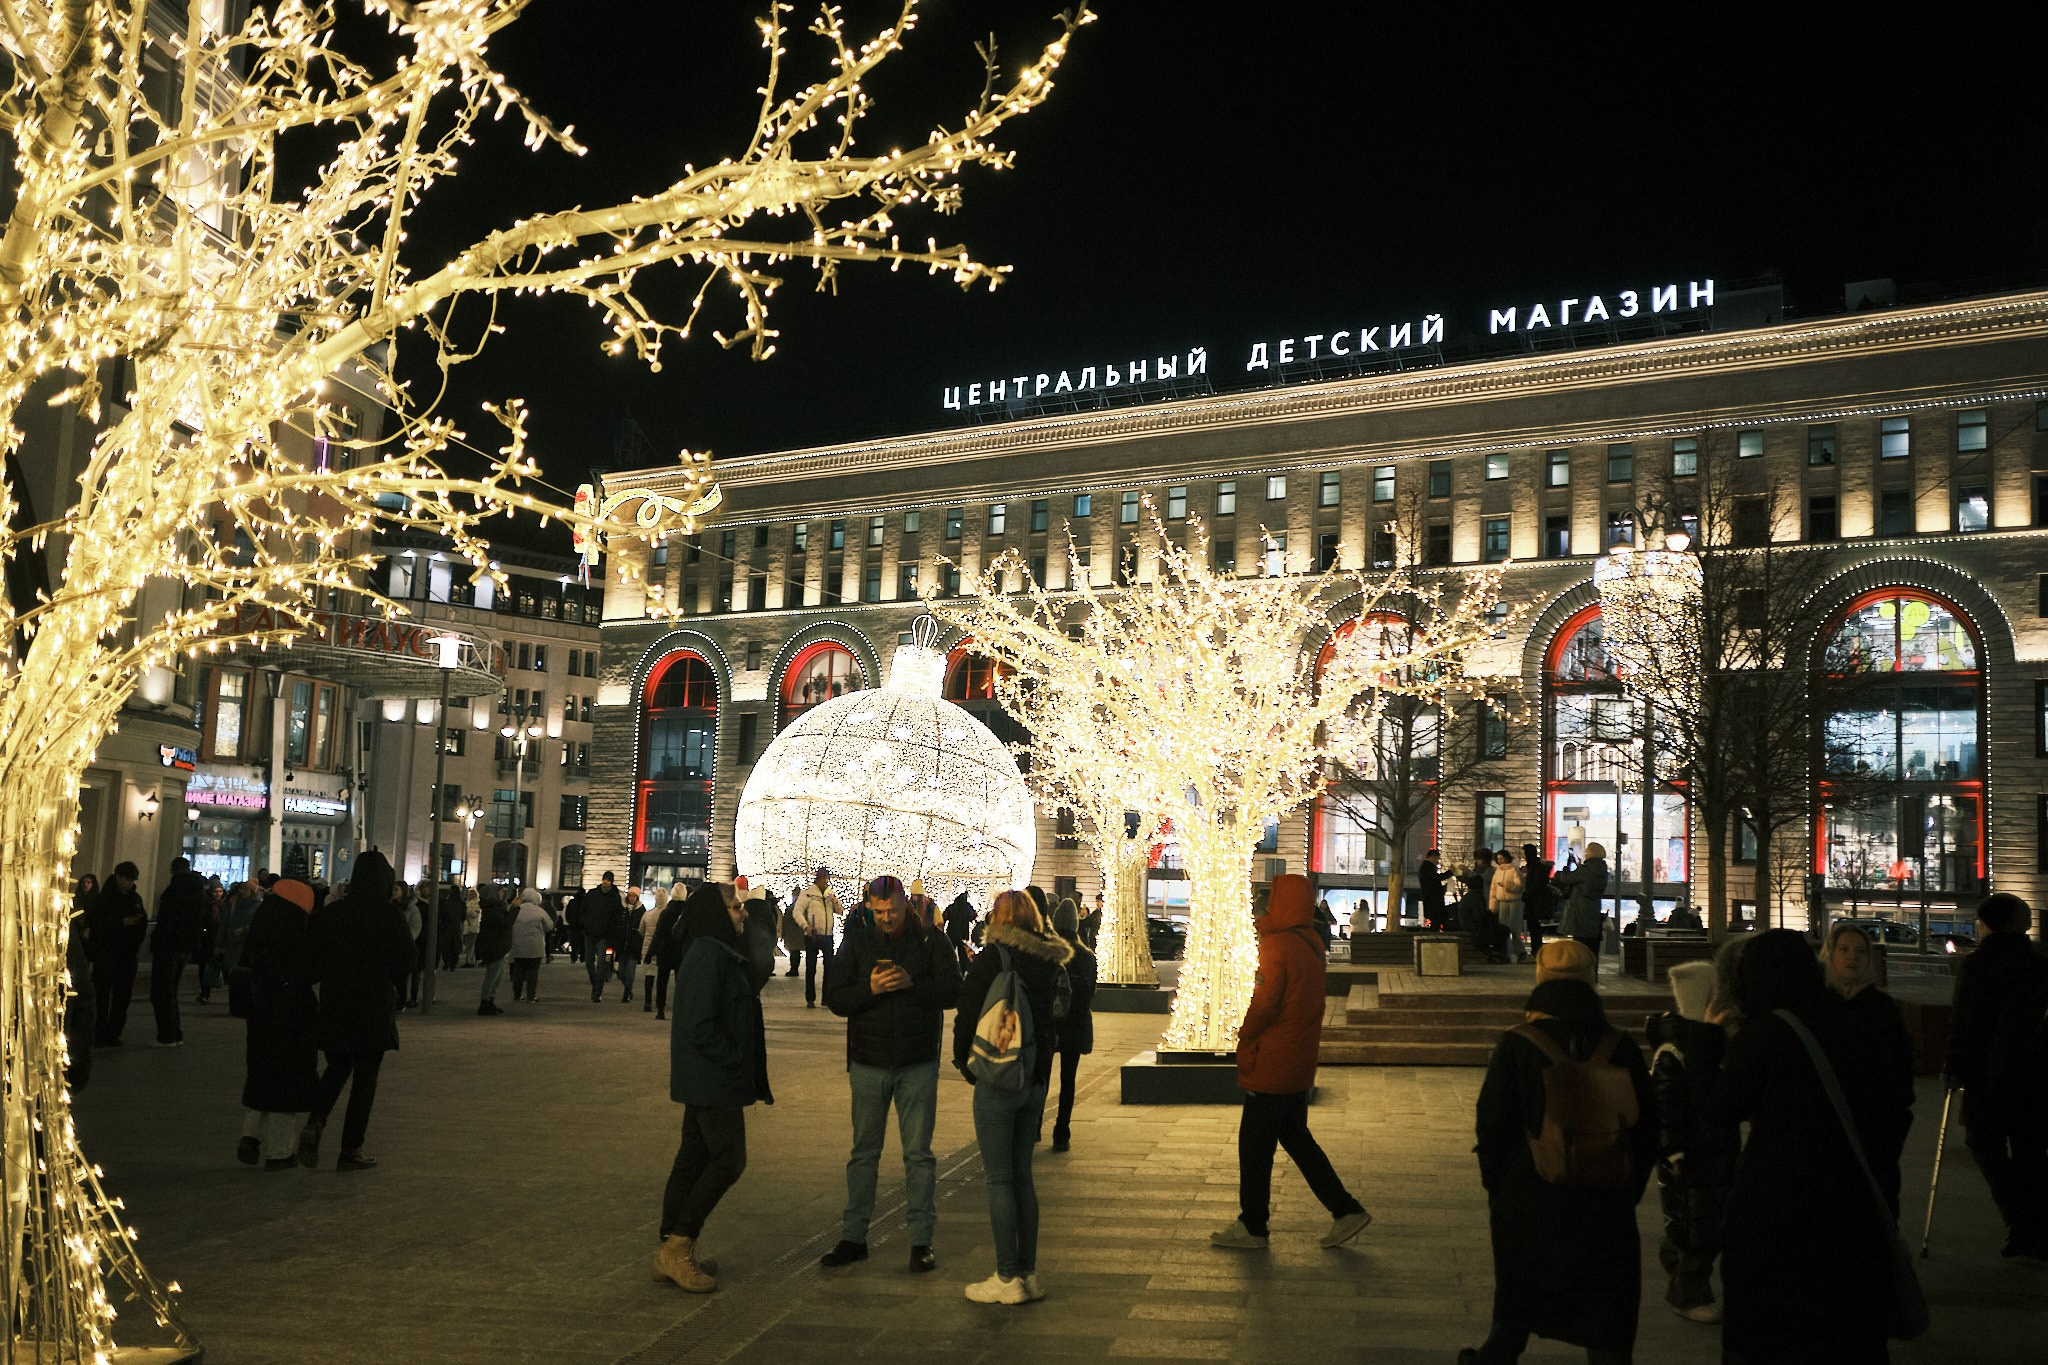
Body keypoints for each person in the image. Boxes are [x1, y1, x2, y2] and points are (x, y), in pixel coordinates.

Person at [1709, 929, 1911, 1364]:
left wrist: (1706, 1042)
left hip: (1778, 1207)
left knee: (1771, 1326)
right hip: (1850, 1203)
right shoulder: (1851, 1023)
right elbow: (1895, 1104)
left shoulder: (1764, 1034)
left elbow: (1719, 1107)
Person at [1461, 939, 1656, 1365]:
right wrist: (1626, 1189)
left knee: (1519, 1299)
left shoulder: (1518, 1043)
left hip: (1530, 1197)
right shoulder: (1619, 1045)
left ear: (1540, 979)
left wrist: (1500, 1188)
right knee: (1607, 1312)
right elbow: (1646, 1128)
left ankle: (1494, 1356)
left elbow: (1493, 1124)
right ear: (1591, 979)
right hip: (1605, 1204)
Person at [1212, 874, 1373, 1254]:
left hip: (1273, 1061)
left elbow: (1265, 1004)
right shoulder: (1311, 944)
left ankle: (1253, 1225)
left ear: (1281, 903)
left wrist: (1245, 1035)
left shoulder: (1278, 945)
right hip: (1298, 1061)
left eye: (1271, 898)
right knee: (1297, 1139)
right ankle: (1345, 1209)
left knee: (1254, 1148)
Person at [819, 875, 961, 1273]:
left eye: (893, 911)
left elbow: (952, 991)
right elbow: (835, 997)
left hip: (917, 1061)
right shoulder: (857, 940)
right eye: (879, 911)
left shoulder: (931, 940)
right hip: (868, 1060)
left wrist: (912, 984)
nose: (886, 918)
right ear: (869, 907)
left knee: (918, 1155)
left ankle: (921, 1241)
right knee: (863, 1153)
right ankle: (853, 1237)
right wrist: (871, 989)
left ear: (906, 905)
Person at [653, 876, 773, 1294]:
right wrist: (734, 1059)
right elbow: (700, 1026)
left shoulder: (716, 950)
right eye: (735, 908)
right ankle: (678, 1244)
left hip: (706, 1076)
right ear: (714, 914)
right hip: (712, 1078)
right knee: (728, 1160)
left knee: (693, 1157)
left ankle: (669, 1247)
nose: (742, 913)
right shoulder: (708, 955)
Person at [951, 888, 1070, 1304]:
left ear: (999, 919)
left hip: (999, 1079)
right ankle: (1028, 1273)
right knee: (1022, 1176)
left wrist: (966, 1063)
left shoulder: (994, 958)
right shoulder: (1050, 962)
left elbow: (968, 1013)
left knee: (999, 1179)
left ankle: (1006, 1277)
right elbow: (1058, 1018)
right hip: (1034, 1080)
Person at [1944, 892, 2048, 1260]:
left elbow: (1965, 1021)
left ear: (1987, 925)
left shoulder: (1978, 965)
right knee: (2031, 1153)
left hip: (1987, 1077)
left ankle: (2020, 1222)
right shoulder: (2039, 964)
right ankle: (2036, 1228)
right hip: (2034, 1076)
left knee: (1984, 1144)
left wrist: (1954, 1065)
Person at [301, 850, 415, 1172]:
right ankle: (351, 1148)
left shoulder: (334, 913)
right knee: (365, 1078)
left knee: (337, 1068)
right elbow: (406, 960)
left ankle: (316, 1120)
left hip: (336, 1003)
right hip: (372, 1006)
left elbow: (312, 960)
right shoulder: (389, 915)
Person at [1643, 960, 1738, 1324]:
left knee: (1697, 1222)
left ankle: (1679, 1267)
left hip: (1714, 1150)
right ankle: (1688, 1293)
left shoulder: (1710, 1043)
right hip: (1692, 1153)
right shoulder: (1676, 1051)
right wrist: (1672, 1150)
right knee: (1700, 1227)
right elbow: (1665, 1106)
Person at [236, 880, 320, 1171]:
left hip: (260, 1017)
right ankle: (279, 1153)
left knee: (261, 1076)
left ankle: (250, 1137)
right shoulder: (295, 936)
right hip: (291, 1019)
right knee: (287, 1085)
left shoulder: (259, 930)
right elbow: (308, 972)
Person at [1824, 920, 1916, 1093]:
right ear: (1830, 954)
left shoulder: (1882, 1006)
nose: (1852, 957)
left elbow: (1900, 1059)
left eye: (1861, 951)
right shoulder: (1818, 1004)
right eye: (1844, 949)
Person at [1047, 899, 1097, 1154]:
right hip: (1075, 1023)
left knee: (1041, 1075)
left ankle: (1034, 1125)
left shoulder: (1048, 951)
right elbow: (1091, 993)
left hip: (1050, 1023)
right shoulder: (1087, 956)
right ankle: (1061, 1132)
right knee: (1068, 1080)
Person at [150, 855, 209, 1046]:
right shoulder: (198, 891)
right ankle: (175, 1033)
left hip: (168, 946)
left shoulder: (174, 890)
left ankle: (167, 1035)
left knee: (162, 991)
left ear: (172, 870)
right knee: (171, 990)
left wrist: (156, 941)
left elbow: (166, 921)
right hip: (187, 946)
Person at [88, 861, 148, 1046]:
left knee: (122, 996)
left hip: (127, 954)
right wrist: (121, 923)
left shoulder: (134, 898)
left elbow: (143, 923)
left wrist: (136, 933)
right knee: (102, 995)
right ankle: (99, 1032)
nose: (129, 883)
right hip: (106, 953)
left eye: (132, 880)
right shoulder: (104, 899)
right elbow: (97, 924)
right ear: (118, 877)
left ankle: (113, 1033)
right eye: (127, 879)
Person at [792, 867, 843, 1008]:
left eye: (827, 879)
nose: (826, 881)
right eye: (824, 879)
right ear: (818, 879)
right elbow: (797, 911)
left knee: (829, 967)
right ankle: (810, 998)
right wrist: (805, 926)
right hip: (812, 935)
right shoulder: (808, 894)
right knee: (811, 967)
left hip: (828, 935)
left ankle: (826, 998)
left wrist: (835, 901)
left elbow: (840, 911)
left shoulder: (830, 894)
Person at [1552, 843, 1610, 962]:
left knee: (1580, 945)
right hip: (1594, 910)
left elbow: (1565, 878)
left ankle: (1581, 969)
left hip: (1580, 910)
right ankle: (1592, 970)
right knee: (1592, 946)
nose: (1585, 853)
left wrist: (1566, 868)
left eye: (1587, 851)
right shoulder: (1603, 871)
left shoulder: (1584, 870)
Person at [581, 872, 624, 1002]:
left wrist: (613, 932)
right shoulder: (592, 894)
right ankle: (595, 984)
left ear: (611, 882)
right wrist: (585, 923)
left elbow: (617, 917)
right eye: (604, 879)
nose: (606, 882)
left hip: (604, 935)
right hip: (590, 932)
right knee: (588, 961)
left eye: (608, 880)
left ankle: (597, 991)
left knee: (601, 964)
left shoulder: (615, 897)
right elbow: (583, 910)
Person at [474, 887, 515, 1015]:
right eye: (500, 891)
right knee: (492, 976)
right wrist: (514, 909)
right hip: (494, 946)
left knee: (497, 976)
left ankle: (490, 1000)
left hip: (498, 946)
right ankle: (485, 1002)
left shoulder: (495, 908)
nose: (503, 894)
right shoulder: (493, 910)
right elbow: (505, 924)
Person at [507, 886, 552, 1003]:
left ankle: (517, 995)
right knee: (532, 971)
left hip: (517, 945)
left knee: (518, 970)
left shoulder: (516, 910)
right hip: (535, 946)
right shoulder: (539, 911)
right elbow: (549, 926)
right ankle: (531, 996)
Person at [652, 883, 690, 1018]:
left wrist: (652, 950)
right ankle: (680, 1007)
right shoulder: (687, 913)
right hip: (681, 951)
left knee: (662, 980)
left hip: (665, 950)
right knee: (681, 981)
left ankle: (660, 1009)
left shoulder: (666, 912)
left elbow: (658, 933)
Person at [1489, 850, 1525, 964]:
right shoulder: (1498, 871)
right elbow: (1493, 890)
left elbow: (1520, 886)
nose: (1500, 861)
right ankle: (1506, 952)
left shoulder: (1514, 870)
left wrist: (1507, 885)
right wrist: (1493, 906)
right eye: (1498, 859)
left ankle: (1520, 952)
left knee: (1514, 927)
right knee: (1503, 929)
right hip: (1502, 902)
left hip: (1514, 901)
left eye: (1502, 858)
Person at [1520, 844, 1554, 960]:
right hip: (1534, 901)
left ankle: (1536, 951)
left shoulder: (1536, 867)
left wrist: (1527, 894)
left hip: (1535, 902)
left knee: (1534, 928)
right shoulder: (1535, 866)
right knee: (1535, 928)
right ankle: (1536, 951)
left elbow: (1536, 885)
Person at [613, 885, 645, 1005]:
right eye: (630, 895)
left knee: (630, 972)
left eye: (633, 896)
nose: (631, 898)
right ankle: (628, 990)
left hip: (634, 947)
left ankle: (626, 993)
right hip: (622, 946)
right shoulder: (623, 909)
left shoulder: (641, 911)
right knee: (621, 972)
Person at [941, 890, 977, 972]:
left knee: (949, 953)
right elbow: (973, 916)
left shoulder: (952, 907)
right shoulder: (967, 907)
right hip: (963, 935)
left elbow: (944, 917)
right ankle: (963, 971)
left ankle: (947, 969)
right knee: (963, 956)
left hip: (951, 933)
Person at [1419, 849, 1452, 934]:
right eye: (1437, 859)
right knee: (1437, 920)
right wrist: (1450, 872)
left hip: (1431, 899)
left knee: (1436, 921)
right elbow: (1437, 878)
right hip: (1433, 900)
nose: (1437, 862)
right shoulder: (1428, 867)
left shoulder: (1425, 867)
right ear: (1433, 857)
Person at [460, 885, 482, 967]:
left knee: (471, 945)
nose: (468, 895)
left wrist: (467, 911)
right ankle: (469, 960)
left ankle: (470, 961)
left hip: (472, 927)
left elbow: (475, 914)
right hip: (468, 927)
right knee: (468, 945)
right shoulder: (468, 903)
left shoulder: (476, 903)